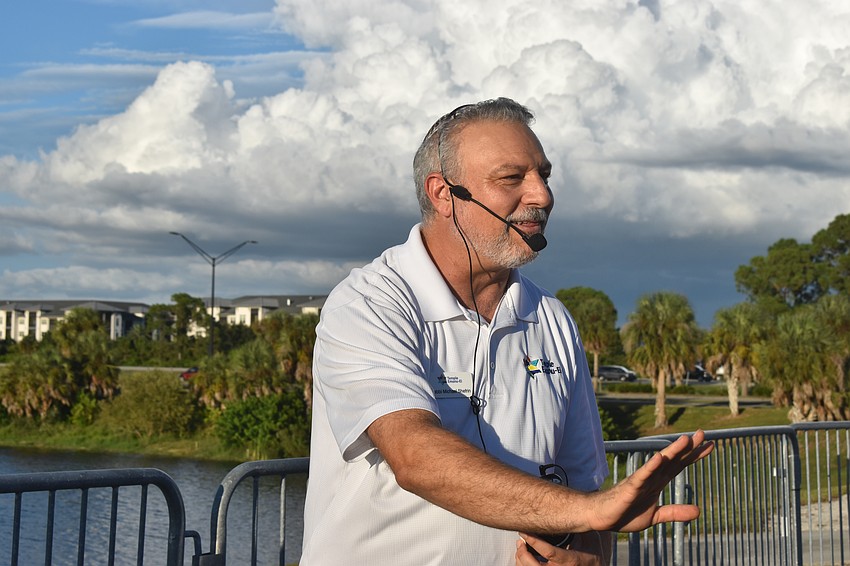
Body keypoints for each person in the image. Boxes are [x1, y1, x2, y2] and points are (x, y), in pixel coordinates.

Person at [300, 98, 713, 565]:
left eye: (544, 175)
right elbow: (415, 456)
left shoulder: (551, 317)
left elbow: (585, 492)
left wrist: (589, 557)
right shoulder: (370, 302)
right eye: (511, 178)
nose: (542, 196)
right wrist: (590, 511)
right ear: (443, 193)